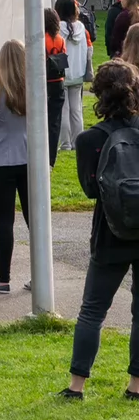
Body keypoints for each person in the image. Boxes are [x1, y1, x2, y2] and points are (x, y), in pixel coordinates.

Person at [63, 61, 139, 398]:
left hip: (110, 231)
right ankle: (136, 386)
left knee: (93, 309)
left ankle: (77, 385)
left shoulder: (89, 140)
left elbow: (92, 190)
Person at [0, 40, 32, 295]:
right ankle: (39, 275)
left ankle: (3, 279)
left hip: (1, 159)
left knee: (4, 221)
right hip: (28, 157)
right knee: (34, 220)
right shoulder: (33, 87)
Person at [59, 0, 93, 148]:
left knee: (64, 109)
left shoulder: (57, 28)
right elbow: (89, 51)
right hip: (78, 73)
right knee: (76, 109)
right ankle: (78, 141)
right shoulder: (81, 27)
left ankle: (65, 143)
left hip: (63, 73)